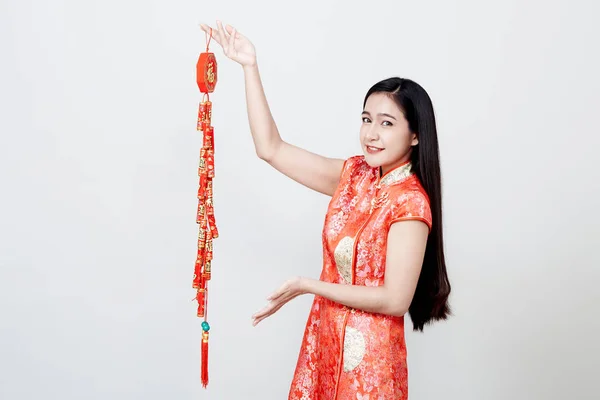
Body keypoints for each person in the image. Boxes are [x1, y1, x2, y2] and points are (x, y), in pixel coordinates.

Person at [200, 21, 452, 400]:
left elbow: (395, 298)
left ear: (415, 135)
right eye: (367, 119)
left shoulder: (410, 202)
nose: (371, 133)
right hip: (325, 341)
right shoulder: (354, 175)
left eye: (387, 124)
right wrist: (249, 68)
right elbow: (271, 148)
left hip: (370, 364)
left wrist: (308, 286)